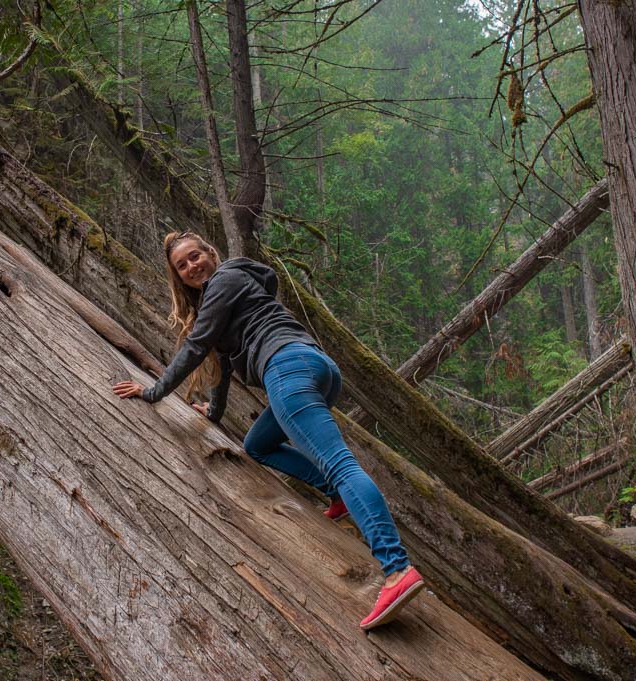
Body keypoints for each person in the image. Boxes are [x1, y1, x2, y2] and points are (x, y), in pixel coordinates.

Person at [112, 231, 424, 630]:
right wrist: (214, 414)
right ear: (178, 276)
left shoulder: (224, 279)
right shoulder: (228, 295)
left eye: (195, 256)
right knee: (257, 444)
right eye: (182, 265)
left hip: (286, 369)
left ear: (211, 253)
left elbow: (195, 348)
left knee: (341, 464)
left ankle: (397, 570)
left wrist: (153, 391)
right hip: (314, 367)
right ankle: (337, 496)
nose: (192, 267)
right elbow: (222, 368)